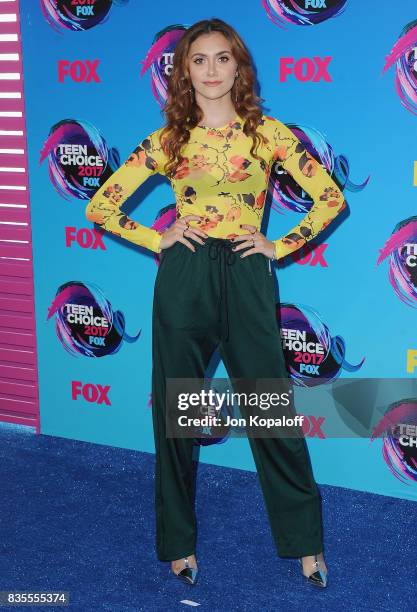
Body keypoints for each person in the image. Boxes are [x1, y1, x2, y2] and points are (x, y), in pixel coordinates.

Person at [85, 17, 347, 589]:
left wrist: (279, 245)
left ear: (238, 67)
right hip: (186, 277)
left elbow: (329, 199)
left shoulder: (269, 134)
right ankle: (178, 544)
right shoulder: (169, 140)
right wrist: (160, 237)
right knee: (177, 415)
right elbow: (101, 205)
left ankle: (306, 543)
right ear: (183, 72)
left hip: (251, 273)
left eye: (221, 58)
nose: (210, 70)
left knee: (270, 410)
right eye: (197, 60)